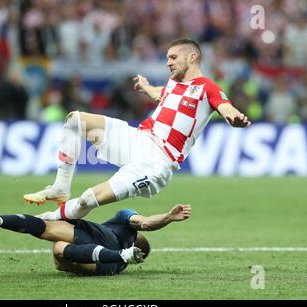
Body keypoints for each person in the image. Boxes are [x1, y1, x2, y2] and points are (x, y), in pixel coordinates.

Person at [23, 38, 251, 221]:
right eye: (167, 58)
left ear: (192, 57)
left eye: (173, 57)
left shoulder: (207, 88)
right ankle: (61, 187)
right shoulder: (173, 83)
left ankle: (51, 218)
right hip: (137, 139)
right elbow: (161, 95)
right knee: (75, 120)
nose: (168, 63)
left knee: (88, 199)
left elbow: (225, 106)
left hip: (156, 161)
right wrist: (146, 87)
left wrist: (234, 117)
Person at [0, 204, 192, 276]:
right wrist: (169, 218)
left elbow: (148, 223)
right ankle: (119, 253)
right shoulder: (121, 265)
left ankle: (1, 219)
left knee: (46, 228)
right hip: (108, 261)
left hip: (97, 237)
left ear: (137, 240)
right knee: (60, 253)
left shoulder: (124, 221)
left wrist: (169, 217)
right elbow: (148, 225)